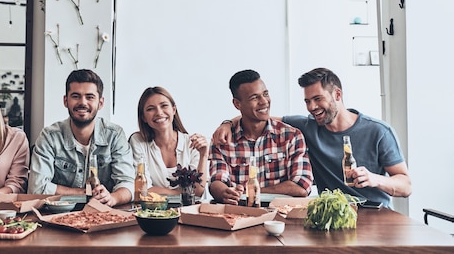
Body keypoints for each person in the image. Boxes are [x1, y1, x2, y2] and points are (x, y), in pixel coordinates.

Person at [213, 67, 412, 207]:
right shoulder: (307, 126)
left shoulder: (378, 131)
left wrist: (374, 179)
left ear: (337, 95)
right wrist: (227, 123)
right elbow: (260, 118)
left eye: (318, 99)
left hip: (374, 212)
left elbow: (406, 186)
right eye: (308, 101)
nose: (312, 107)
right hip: (330, 213)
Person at [28, 69, 134, 206]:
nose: (82, 102)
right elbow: (36, 188)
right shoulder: (49, 137)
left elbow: (128, 184)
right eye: (76, 96)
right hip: (59, 215)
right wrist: (84, 193)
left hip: (105, 213)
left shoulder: (114, 135)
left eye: (90, 97)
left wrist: (112, 198)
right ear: (66, 101)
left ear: (100, 103)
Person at [209, 69, 313, 205]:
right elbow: (217, 181)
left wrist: (252, 191)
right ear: (237, 104)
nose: (264, 101)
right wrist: (224, 193)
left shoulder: (292, 136)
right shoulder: (223, 140)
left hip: (281, 219)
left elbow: (301, 187)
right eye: (254, 97)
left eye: (265, 94)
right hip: (239, 216)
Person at [128, 87, 208, 197]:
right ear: (144, 118)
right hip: (152, 211)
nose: (159, 113)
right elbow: (143, 188)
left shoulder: (191, 143)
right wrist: (182, 193)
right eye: (151, 109)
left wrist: (204, 155)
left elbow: (198, 191)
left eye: (164, 106)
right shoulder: (138, 141)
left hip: (188, 210)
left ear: (174, 109)